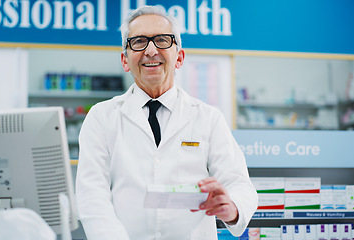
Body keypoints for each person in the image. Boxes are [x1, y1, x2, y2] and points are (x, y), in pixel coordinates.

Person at [76, 5, 258, 240]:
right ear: (124, 60)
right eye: (139, 41)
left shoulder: (209, 118)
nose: (151, 50)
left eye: (162, 40)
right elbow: (92, 197)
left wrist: (232, 208)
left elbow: (239, 183)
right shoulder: (101, 117)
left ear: (179, 57)